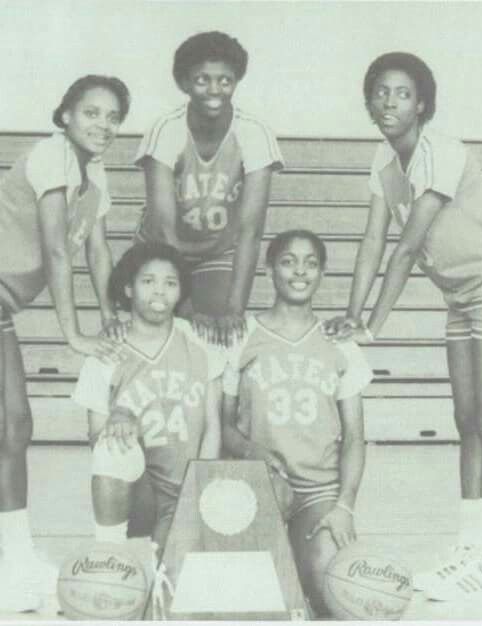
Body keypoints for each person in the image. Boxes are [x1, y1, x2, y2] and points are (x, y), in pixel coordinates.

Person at [324, 52, 482, 602]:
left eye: (401, 93)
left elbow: (407, 246)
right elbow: (372, 241)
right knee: (465, 422)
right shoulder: (382, 158)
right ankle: (471, 548)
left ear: (422, 103)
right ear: (369, 101)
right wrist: (353, 312)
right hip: (460, 295)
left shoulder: (441, 151)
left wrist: (372, 325)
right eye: (380, 91)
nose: (389, 102)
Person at [0, 75, 130, 612]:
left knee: (14, 424)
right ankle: (11, 560)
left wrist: (109, 316)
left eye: (113, 116)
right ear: (66, 116)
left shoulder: (93, 173)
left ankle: (14, 557)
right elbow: (57, 250)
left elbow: (97, 252)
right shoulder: (51, 156)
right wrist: (72, 334)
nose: (102, 124)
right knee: (11, 423)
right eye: (91, 112)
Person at [222, 230, 372, 617]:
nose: (299, 271)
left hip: (318, 491)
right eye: (288, 261)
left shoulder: (340, 344)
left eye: (310, 263)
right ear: (270, 268)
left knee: (332, 595)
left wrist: (345, 506)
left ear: (321, 272)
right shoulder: (241, 336)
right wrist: (250, 450)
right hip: (258, 485)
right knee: (254, 605)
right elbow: (222, 425)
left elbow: (355, 437)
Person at [134, 31, 284, 347]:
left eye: (225, 80)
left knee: (217, 333)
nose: (214, 90)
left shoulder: (254, 133)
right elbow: (163, 231)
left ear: (236, 81)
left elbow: (250, 231)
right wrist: (186, 310)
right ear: (184, 83)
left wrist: (234, 310)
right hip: (160, 247)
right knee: (166, 328)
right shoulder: (166, 130)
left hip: (217, 250)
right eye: (202, 80)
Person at [73, 242, 223, 555]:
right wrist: (120, 416)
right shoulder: (105, 353)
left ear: (181, 291)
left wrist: (198, 489)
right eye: (148, 281)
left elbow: (212, 427)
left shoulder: (199, 339)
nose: (160, 292)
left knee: (169, 581)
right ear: (128, 288)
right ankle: (109, 555)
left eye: (170, 283)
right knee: (112, 446)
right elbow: (96, 442)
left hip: (186, 489)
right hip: (138, 491)